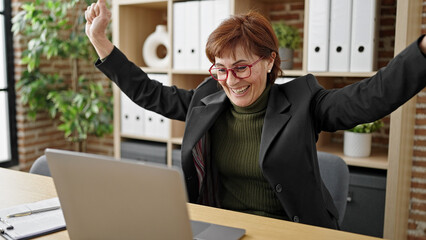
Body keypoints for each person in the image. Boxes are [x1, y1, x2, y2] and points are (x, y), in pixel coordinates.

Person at [85, 0, 426, 229]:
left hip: (288, 231)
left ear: (269, 61)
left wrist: (423, 52)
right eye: (220, 69)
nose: (230, 81)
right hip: (222, 228)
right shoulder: (207, 98)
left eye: (242, 67)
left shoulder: (304, 100)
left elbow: (369, 98)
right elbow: (150, 92)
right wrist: (99, 39)